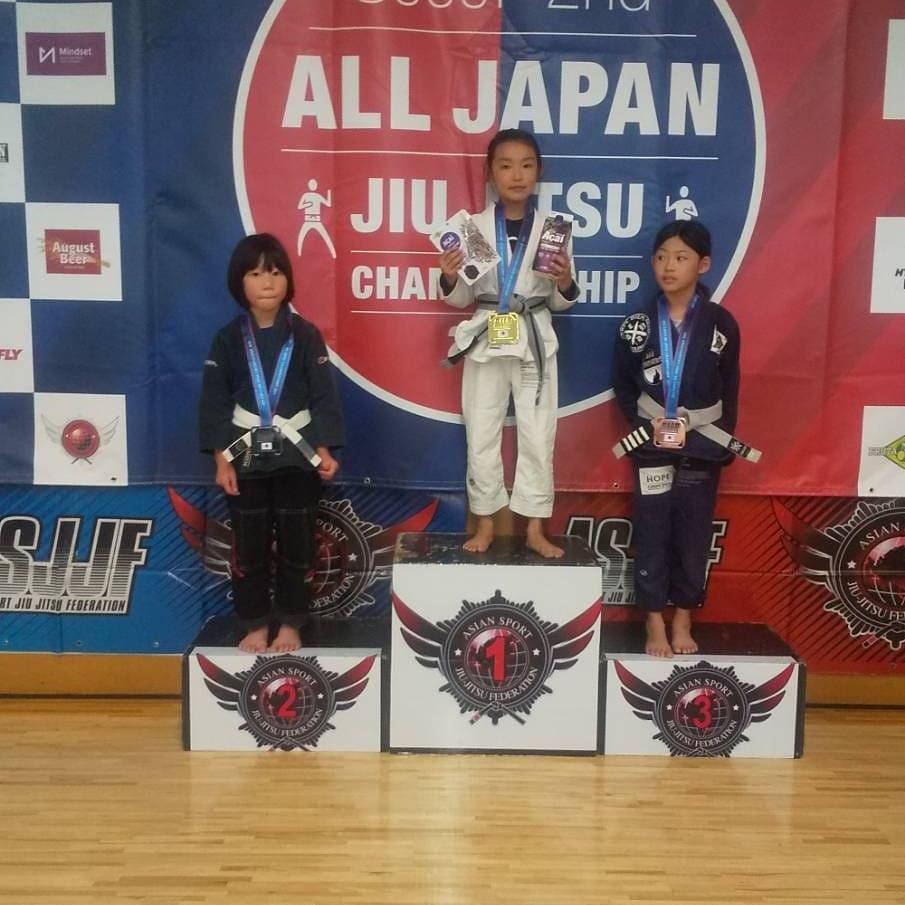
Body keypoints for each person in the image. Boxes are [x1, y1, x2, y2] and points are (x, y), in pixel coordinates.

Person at [612, 220, 755, 658]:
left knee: (693, 535)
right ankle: (654, 620)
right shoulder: (636, 325)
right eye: (661, 257)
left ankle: (683, 617)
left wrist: (723, 440)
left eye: (680, 257)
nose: (668, 266)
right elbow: (623, 385)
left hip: (703, 446)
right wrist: (644, 424)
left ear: (703, 264)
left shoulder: (722, 324)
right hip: (652, 444)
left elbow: (730, 387)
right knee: (652, 531)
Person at [437, 128, 578, 558]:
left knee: (539, 432)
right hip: (487, 334)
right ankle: (484, 522)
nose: (517, 175)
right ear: (490, 173)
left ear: (538, 172)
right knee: (481, 428)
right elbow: (461, 297)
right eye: (506, 165)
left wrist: (565, 281)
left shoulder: (554, 230)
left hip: (534, 334)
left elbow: (561, 301)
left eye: (526, 165)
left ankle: (534, 528)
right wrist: (448, 275)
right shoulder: (472, 228)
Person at [199, 233, 344, 653]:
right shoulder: (227, 339)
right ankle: (255, 623)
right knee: (249, 548)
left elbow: (323, 395)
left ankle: (292, 623)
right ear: (238, 282)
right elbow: (213, 402)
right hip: (244, 455)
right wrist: (221, 459)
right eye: (256, 273)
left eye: (276, 272)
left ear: (288, 280)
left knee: (298, 544)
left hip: (298, 453)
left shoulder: (306, 335)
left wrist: (325, 449)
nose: (267, 282)